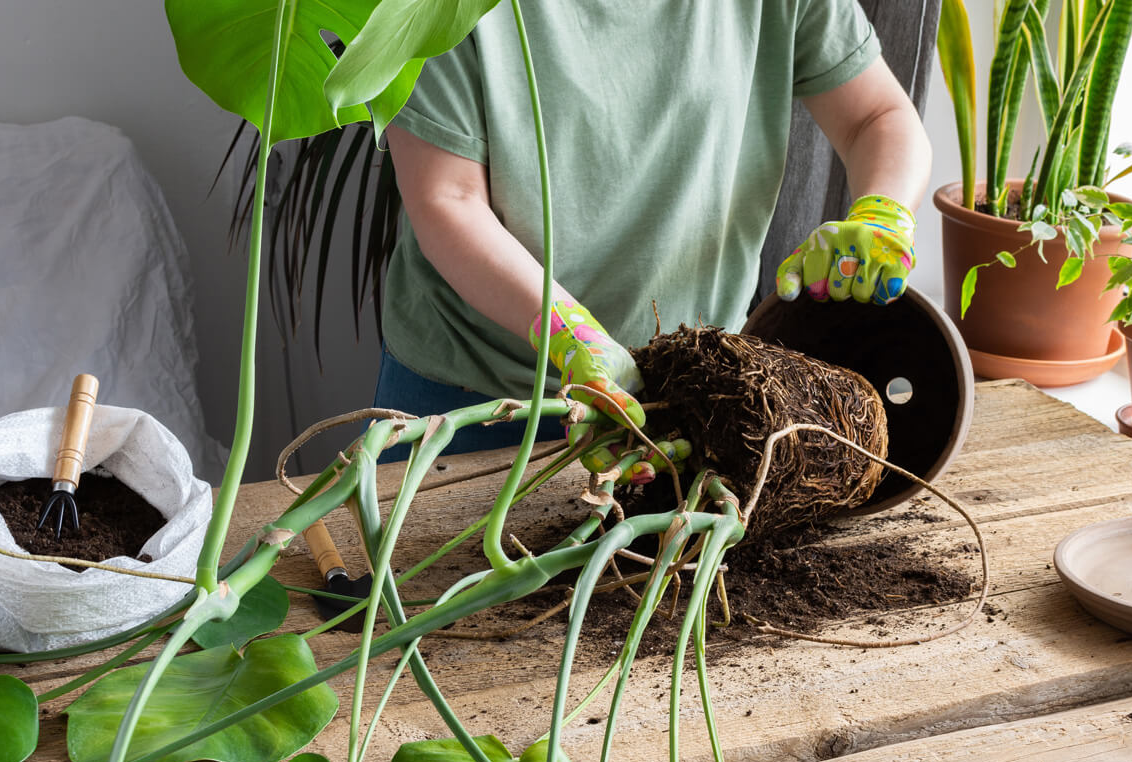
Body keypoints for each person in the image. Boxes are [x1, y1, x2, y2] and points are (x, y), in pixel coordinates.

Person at [372, 1, 931, 473]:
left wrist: (882, 213)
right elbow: (449, 199)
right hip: (480, 394)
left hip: (695, 391)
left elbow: (876, 116)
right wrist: (571, 337)